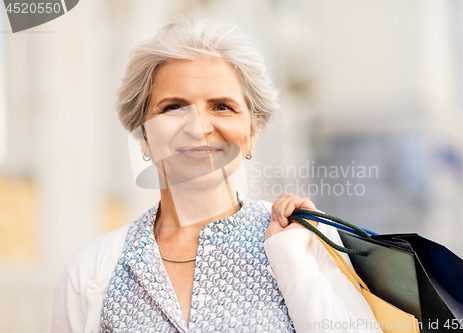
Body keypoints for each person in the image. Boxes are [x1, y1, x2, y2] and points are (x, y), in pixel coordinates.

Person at [51, 16, 381, 333]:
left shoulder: (309, 238)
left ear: (252, 132)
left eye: (221, 106)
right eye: (173, 107)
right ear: (144, 136)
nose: (198, 128)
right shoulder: (89, 272)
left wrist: (291, 259)